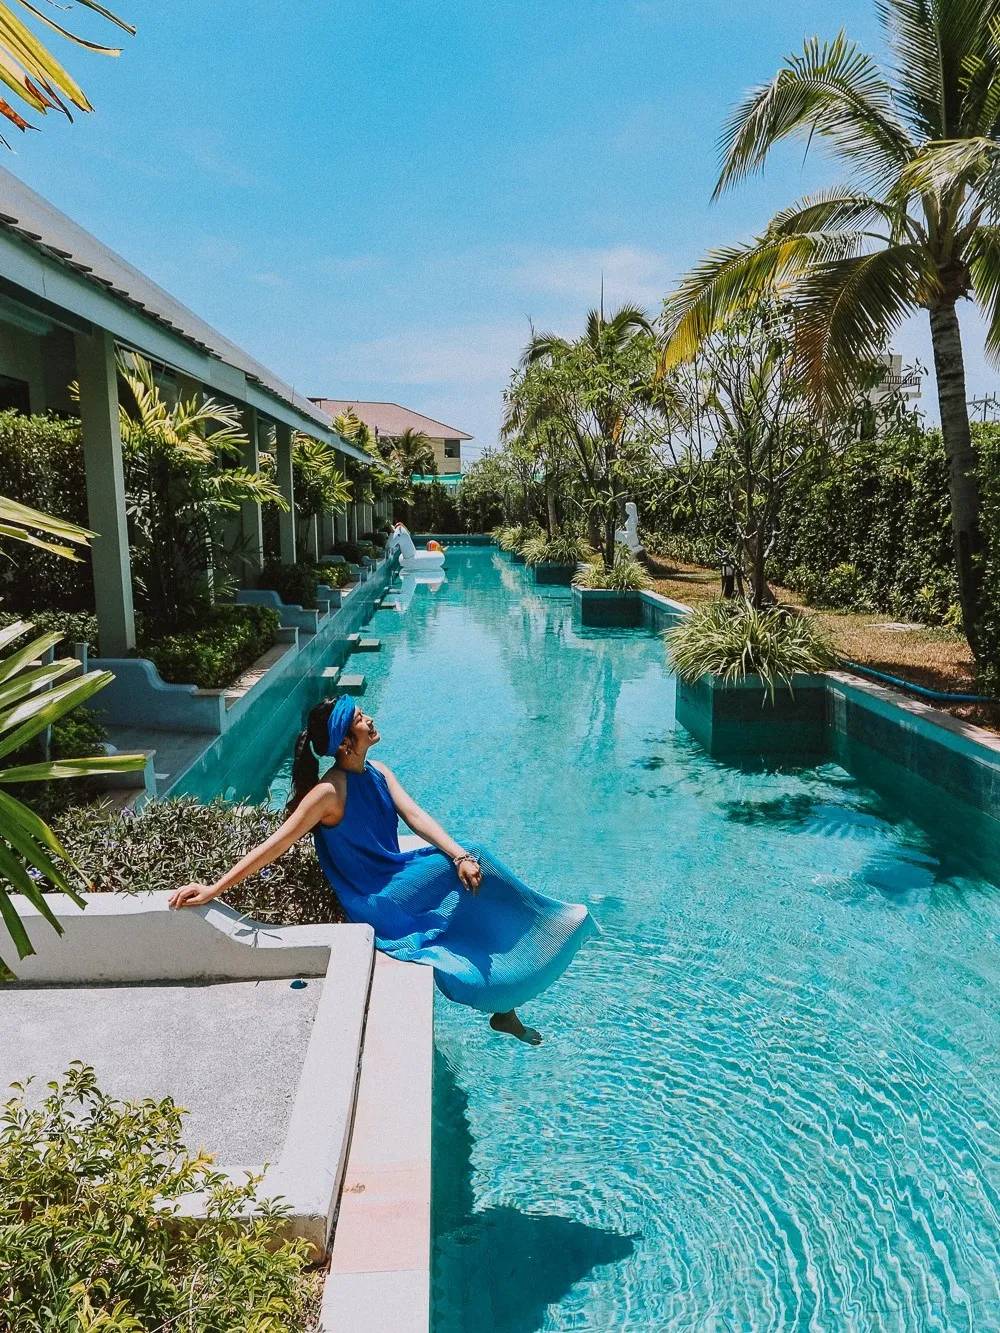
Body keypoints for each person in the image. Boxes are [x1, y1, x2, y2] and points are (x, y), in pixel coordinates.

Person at [170, 695, 597, 1044]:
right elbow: (278, 843)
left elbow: (416, 817)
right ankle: (511, 986)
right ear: (344, 742)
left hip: (397, 873)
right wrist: (213, 888)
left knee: (472, 860)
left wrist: (460, 855)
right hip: (376, 896)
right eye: (360, 718)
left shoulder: (378, 772)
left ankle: (508, 1002)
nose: (369, 718)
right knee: (465, 877)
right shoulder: (327, 792)